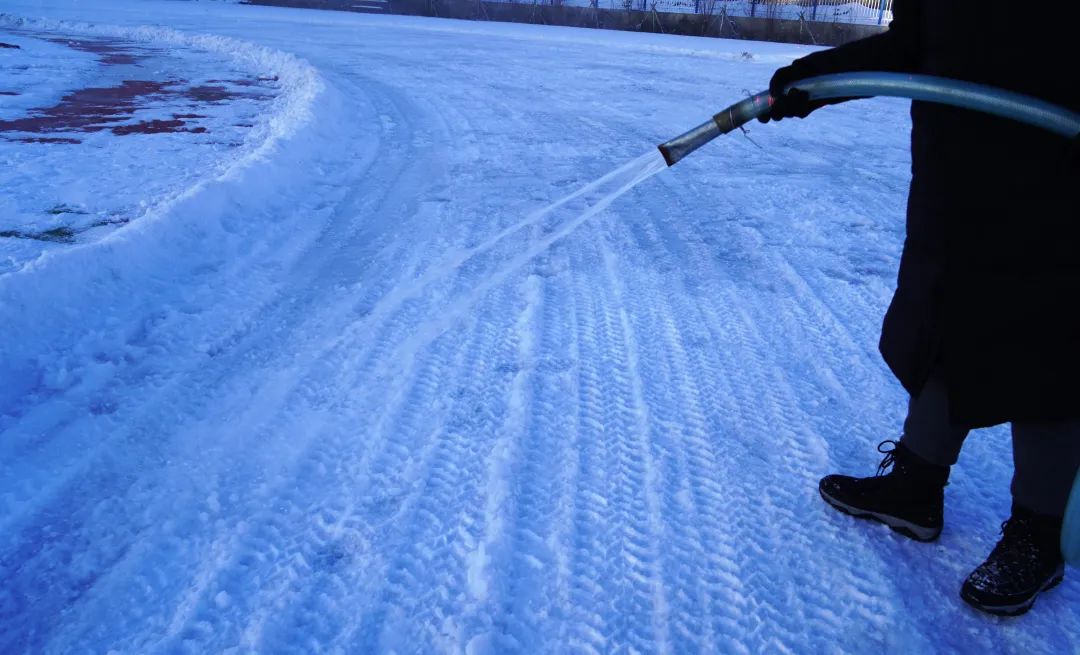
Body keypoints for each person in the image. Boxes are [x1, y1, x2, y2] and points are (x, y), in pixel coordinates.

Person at [758, 0, 1079, 616]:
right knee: (943, 324)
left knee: (1048, 355)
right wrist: (815, 78)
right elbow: (912, 46)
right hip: (955, 177)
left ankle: (1039, 535)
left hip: (1058, 184)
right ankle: (916, 486)